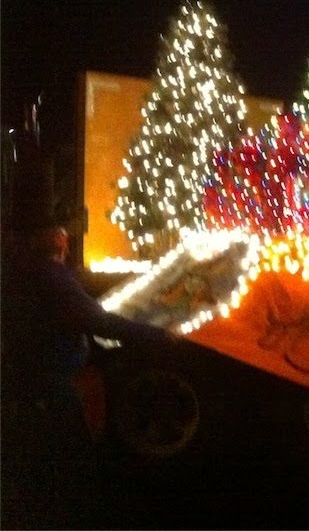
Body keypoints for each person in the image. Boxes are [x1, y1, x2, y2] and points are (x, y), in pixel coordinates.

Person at [1, 222, 172, 528]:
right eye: (63, 241)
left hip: (34, 376)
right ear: (60, 246)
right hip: (51, 383)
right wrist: (158, 335)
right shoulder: (52, 278)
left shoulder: (23, 269)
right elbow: (99, 322)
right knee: (70, 459)